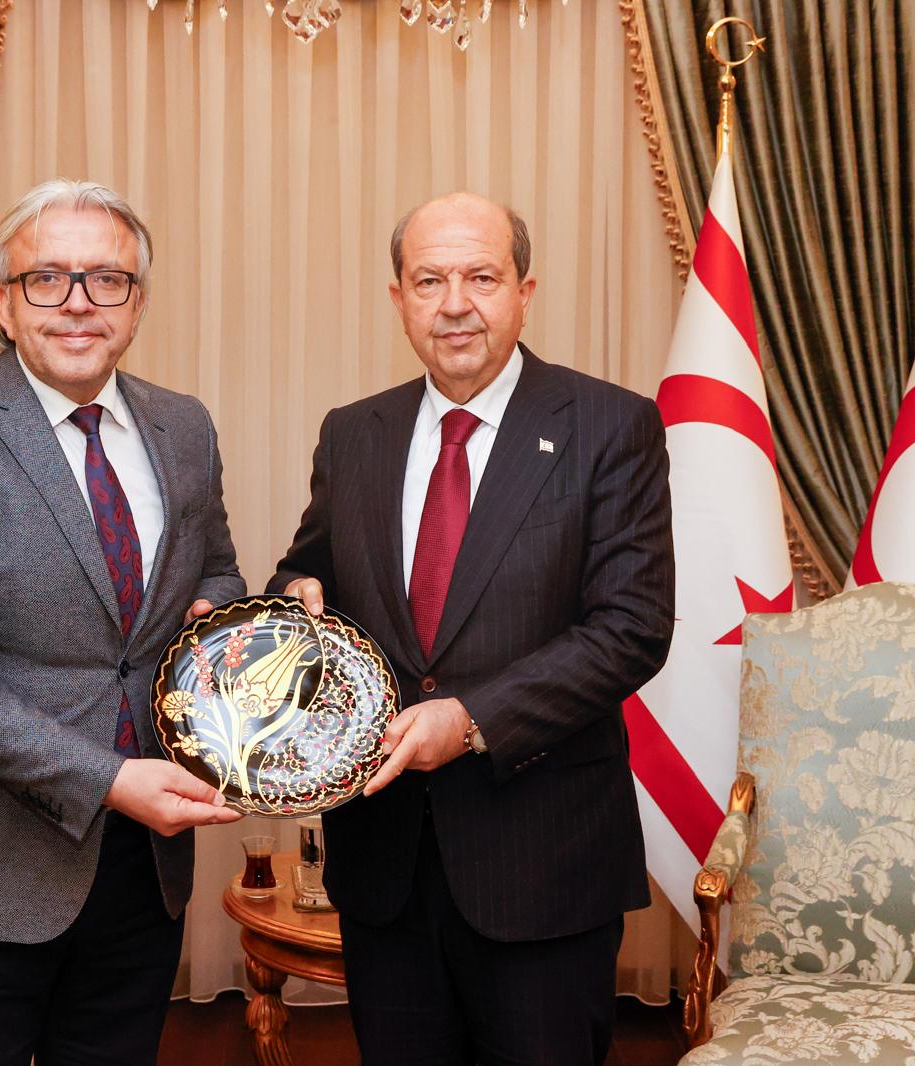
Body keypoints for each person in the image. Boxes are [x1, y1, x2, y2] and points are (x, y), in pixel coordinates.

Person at [269, 192, 675, 1064]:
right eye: (430, 281)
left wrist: (471, 719)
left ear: (525, 291)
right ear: (399, 299)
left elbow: (632, 627)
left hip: (544, 864)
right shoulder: (353, 434)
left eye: (481, 278)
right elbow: (305, 574)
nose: (455, 304)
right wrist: (294, 597)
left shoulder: (610, 425)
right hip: (383, 865)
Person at [0, 179, 245, 1065]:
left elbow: (215, 570)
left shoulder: (183, 426)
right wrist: (110, 779)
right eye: (47, 279)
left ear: (136, 304)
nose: (78, 303)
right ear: (3, 302)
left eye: (107, 279)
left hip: (142, 865)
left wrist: (219, 622)